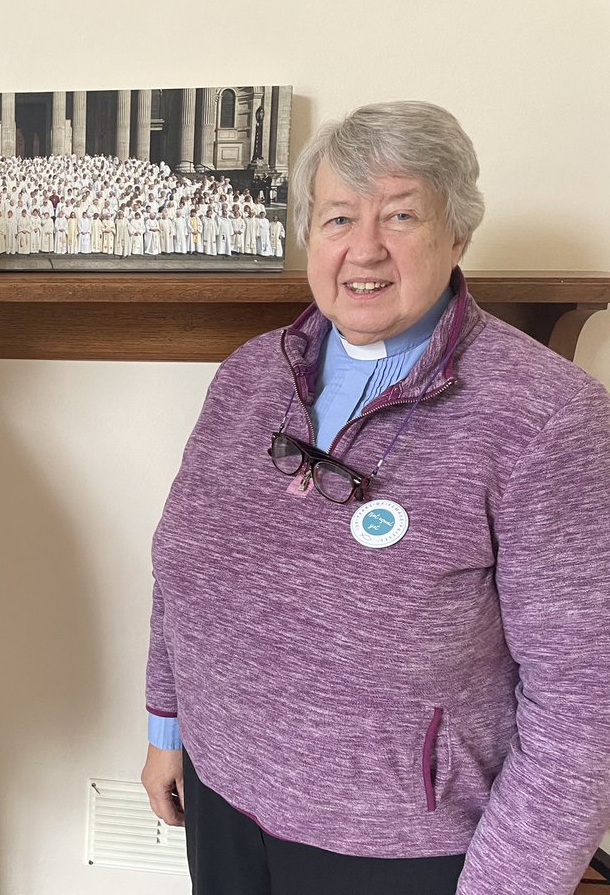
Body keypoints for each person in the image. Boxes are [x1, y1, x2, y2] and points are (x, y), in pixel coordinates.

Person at [142, 100, 610, 895]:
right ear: (307, 236)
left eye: (401, 215)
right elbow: (180, 568)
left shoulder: (547, 418)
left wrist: (510, 886)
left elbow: (586, 701)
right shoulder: (251, 376)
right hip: (223, 798)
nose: (365, 248)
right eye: (337, 219)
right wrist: (167, 726)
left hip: (398, 846)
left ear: (457, 233)